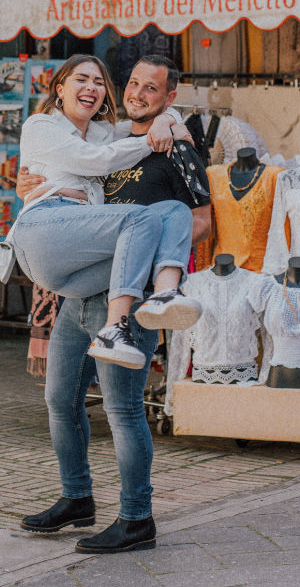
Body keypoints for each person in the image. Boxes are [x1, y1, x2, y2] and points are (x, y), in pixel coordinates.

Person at [20, 54, 211, 554]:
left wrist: (173, 127)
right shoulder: (108, 139)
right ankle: (77, 498)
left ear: (170, 97)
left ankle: (136, 518)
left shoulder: (179, 149)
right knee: (61, 401)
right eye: (132, 84)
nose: (138, 93)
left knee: (124, 410)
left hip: (131, 301)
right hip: (85, 290)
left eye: (154, 89)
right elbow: (78, 172)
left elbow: (202, 223)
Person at [10, 54, 202, 371]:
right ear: (60, 88)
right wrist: (153, 141)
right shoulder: (40, 125)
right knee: (143, 217)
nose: (91, 87)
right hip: (44, 231)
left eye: (99, 82)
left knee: (174, 211)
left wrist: (168, 122)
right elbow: (96, 161)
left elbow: (153, 118)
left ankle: (165, 294)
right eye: (81, 79)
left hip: (79, 266)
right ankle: (115, 328)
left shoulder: (101, 131)